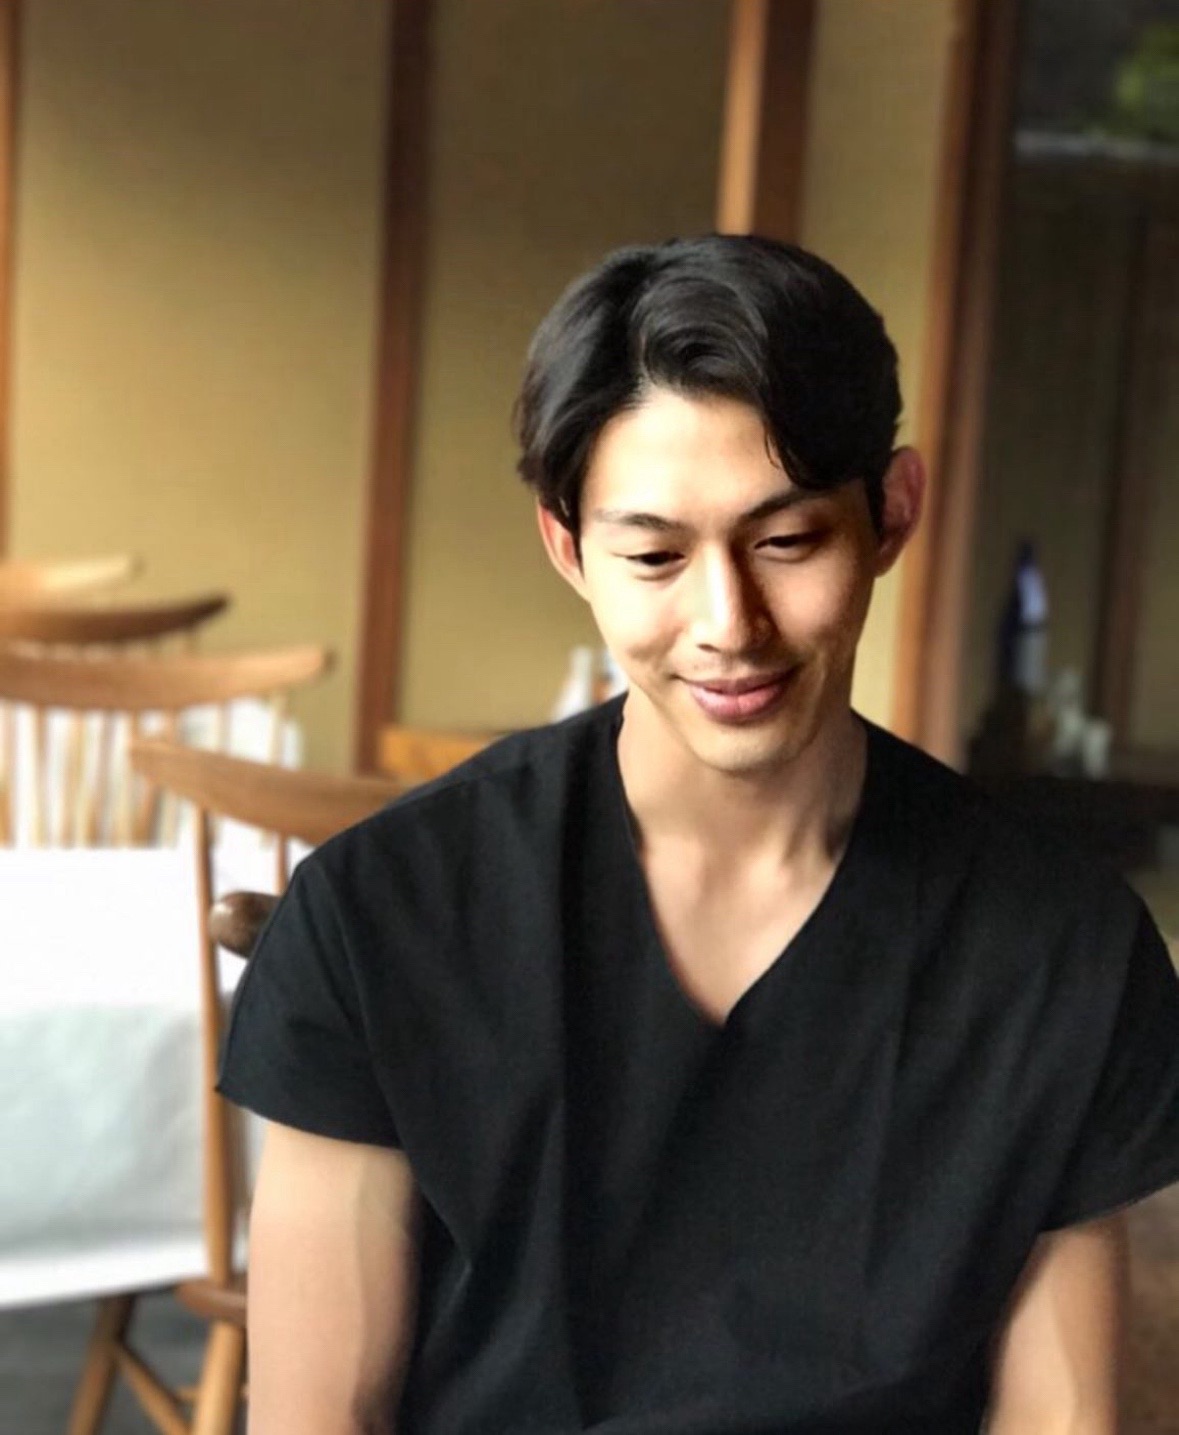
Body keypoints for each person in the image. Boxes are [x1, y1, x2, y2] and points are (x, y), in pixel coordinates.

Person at [218, 234, 1179, 1434]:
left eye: (787, 542)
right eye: (655, 556)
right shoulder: (383, 912)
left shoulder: (1061, 950)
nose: (729, 622)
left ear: (892, 513)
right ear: (568, 547)